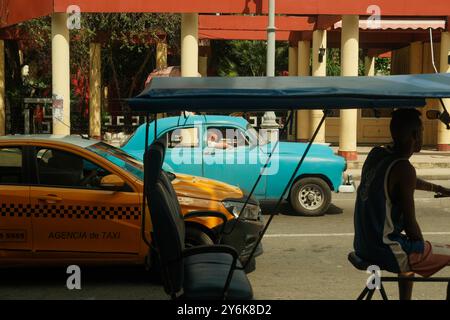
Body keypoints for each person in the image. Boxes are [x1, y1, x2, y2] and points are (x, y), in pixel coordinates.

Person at [353, 108, 450, 300]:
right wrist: (421, 247)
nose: (422, 135)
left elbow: (406, 182)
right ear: (415, 135)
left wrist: (440, 188)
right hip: (385, 248)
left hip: (363, 244)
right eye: (421, 131)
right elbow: (410, 223)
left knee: (408, 248)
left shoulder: (377, 155)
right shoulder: (404, 168)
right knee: (415, 247)